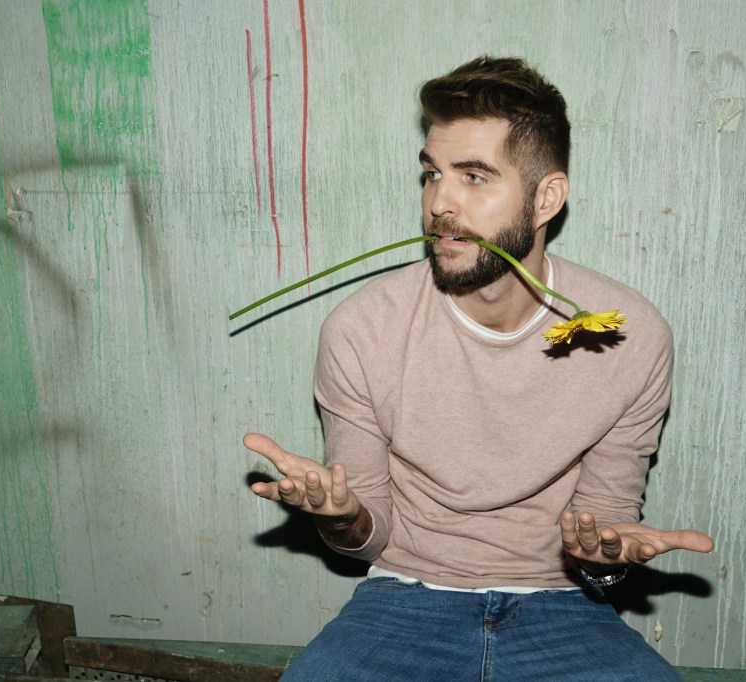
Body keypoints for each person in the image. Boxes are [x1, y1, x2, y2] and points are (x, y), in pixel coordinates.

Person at [244, 55, 714, 681]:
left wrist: (603, 558)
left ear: (546, 198)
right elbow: (367, 537)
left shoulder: (630, 336)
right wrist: (342, 516)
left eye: (473, 177)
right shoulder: (360, 330)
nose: (440, 202)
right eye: (432, 174)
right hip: (403, 597)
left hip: (564, 607)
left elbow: (602, 531)